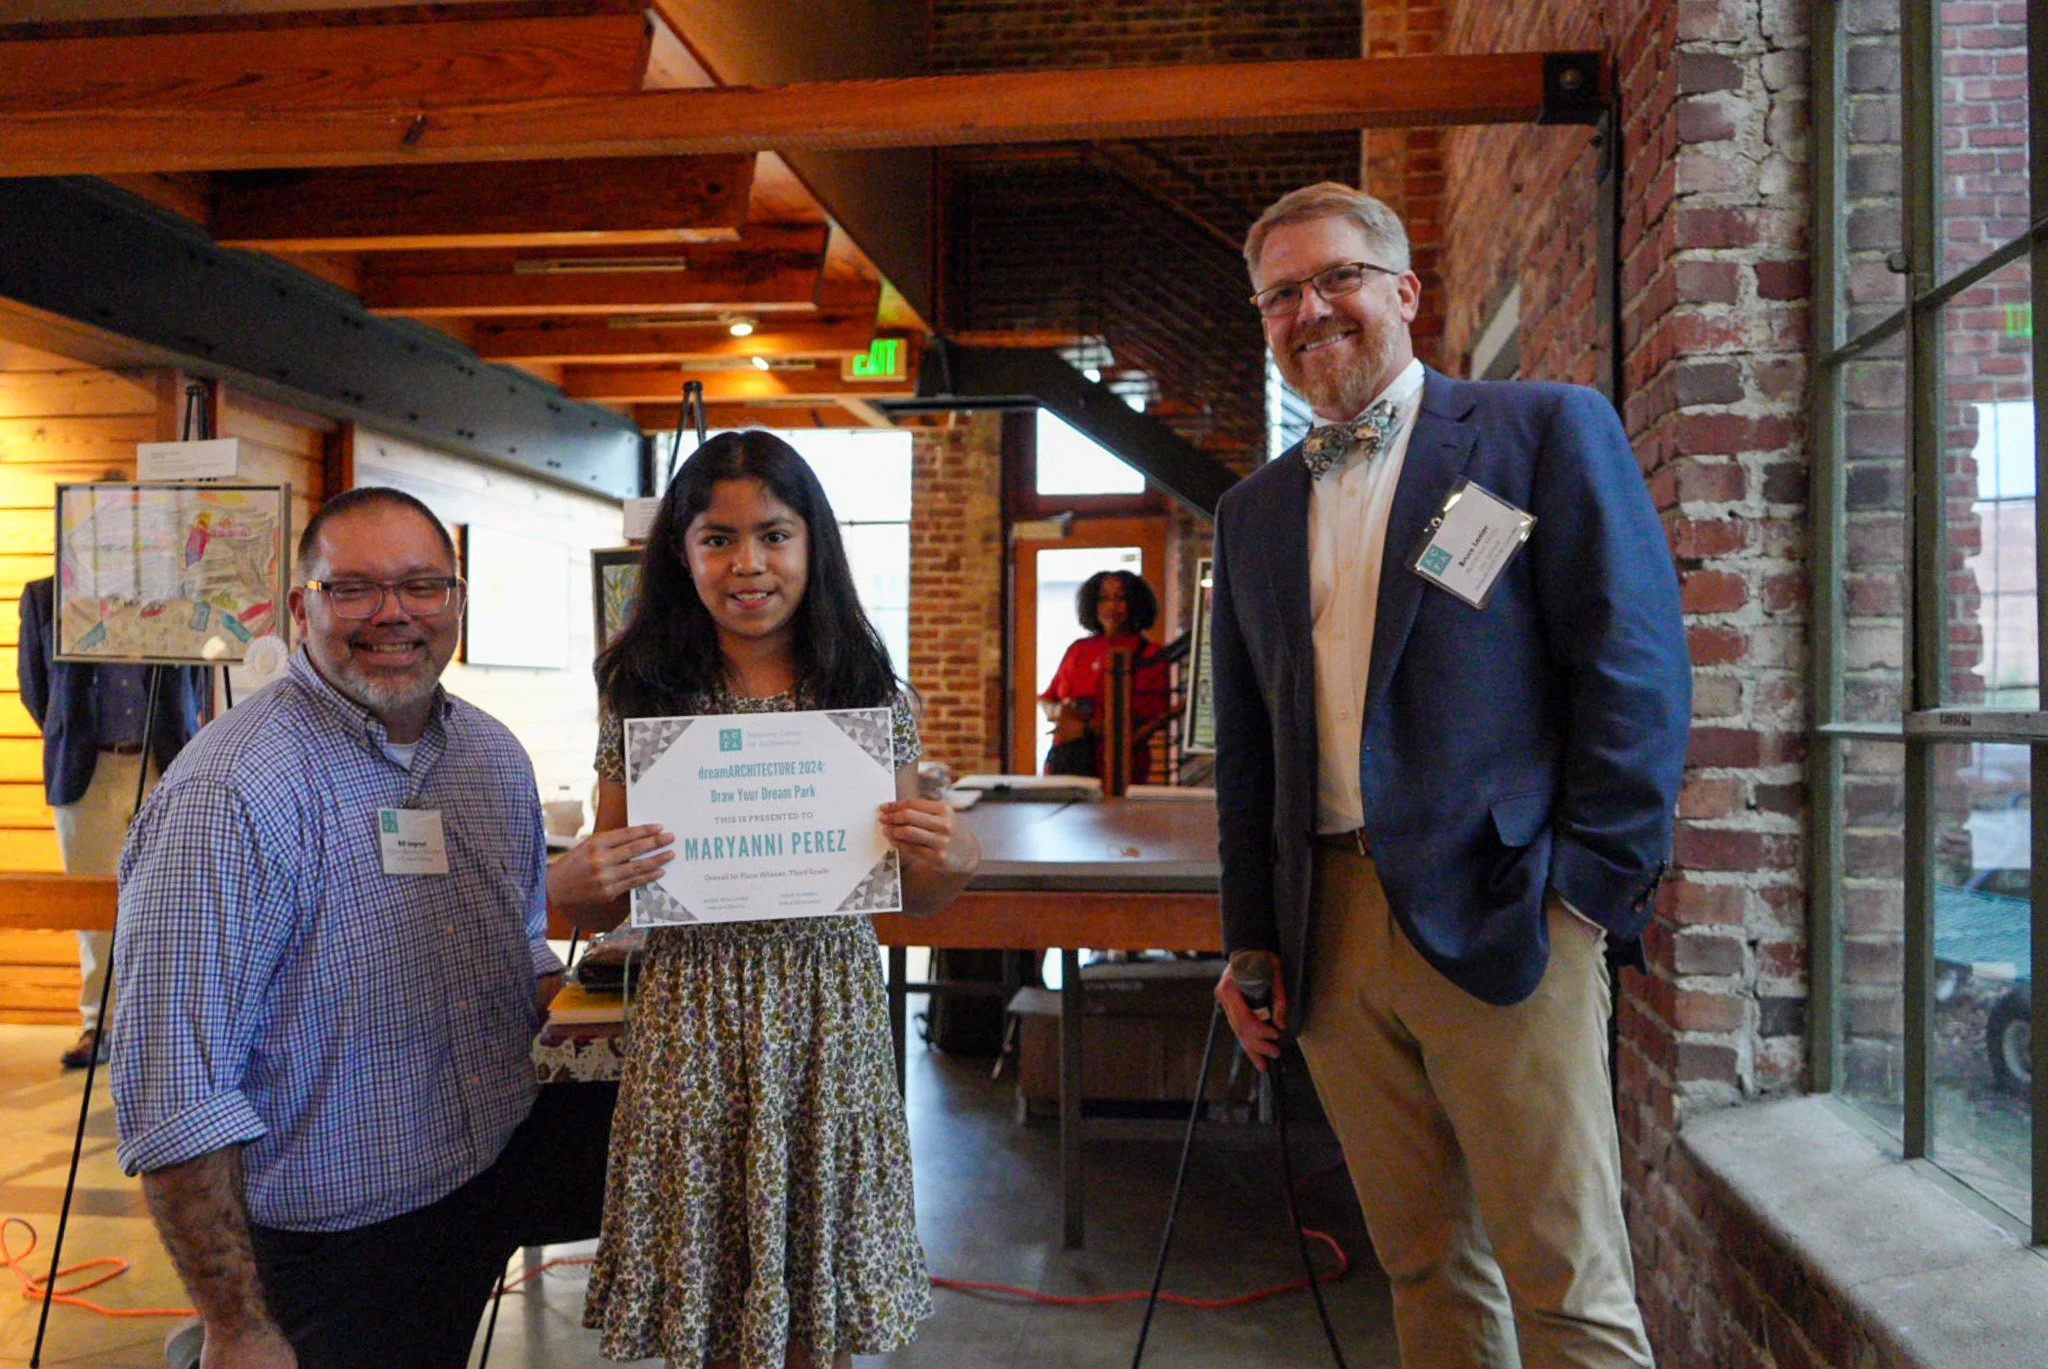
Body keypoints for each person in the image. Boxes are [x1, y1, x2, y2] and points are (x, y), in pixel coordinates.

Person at [1209, 181, 1691, 1368]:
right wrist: (1251, 939)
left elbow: (1631, 669)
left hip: (1508, 907)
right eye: (1279, 295)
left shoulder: (1538, 432)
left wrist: (1585, 894)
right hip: (1327, 933)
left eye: (1337, 277)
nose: (1310, 310)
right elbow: (1250, 747)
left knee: (1563, 1276)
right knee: (1422, 1266)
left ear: (1404, 292)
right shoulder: (1251, 510)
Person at [110, 487, 612, 1369]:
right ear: (301, 607)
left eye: (421, 585)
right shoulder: (230, 792)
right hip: (340, 1236)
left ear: (456, 600)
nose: (393, 613)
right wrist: (237, 1324)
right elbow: (175, 1084)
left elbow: (522, 941)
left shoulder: (490, 757)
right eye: (354, 588)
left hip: (489, 1158)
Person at [548, 430, 979, 1369]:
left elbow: (918, 897)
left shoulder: (866, 691)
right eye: (718, 538)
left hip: (827, 1018)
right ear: (682, 553)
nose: (748, 563)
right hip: (694, 1020)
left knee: (815, 1307)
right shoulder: (645, 693)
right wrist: (576, 884)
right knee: (710, 1301)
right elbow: (602, 899)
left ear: (814, 544)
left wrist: (952, 854)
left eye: (775, 535)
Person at [16, 574, 206, 1068]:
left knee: (167, 901)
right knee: (93, 908)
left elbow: (198, 680)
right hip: (85, 767)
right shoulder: (45, 596)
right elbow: (36, 689)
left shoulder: (175, 587)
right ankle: (98, 1025)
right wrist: (69, 733)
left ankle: (159, 1028)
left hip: (164, 762)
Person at [1039, 569, 1175, 782]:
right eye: (1103, 598)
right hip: (1068, 761)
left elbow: (1147, 721)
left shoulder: (1150, 654)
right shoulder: (1078, 649)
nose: (1112, 606)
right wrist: (1061, 713)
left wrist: (1087, 727)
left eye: (1121, 598)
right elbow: (1048, 699)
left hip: (1119, 768)